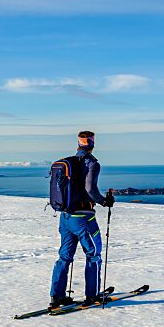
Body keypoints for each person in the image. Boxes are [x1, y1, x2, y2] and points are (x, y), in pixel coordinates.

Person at [49, 131, 114, 309]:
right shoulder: (92, 163)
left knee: (64, 256)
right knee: (93, 255)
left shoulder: (68, 162)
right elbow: (90, 188)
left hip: (65, 217)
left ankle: (57, 296)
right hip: (83, 218)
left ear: (78, 143)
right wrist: (103, 201)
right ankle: (92, 296)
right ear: (92, 143)